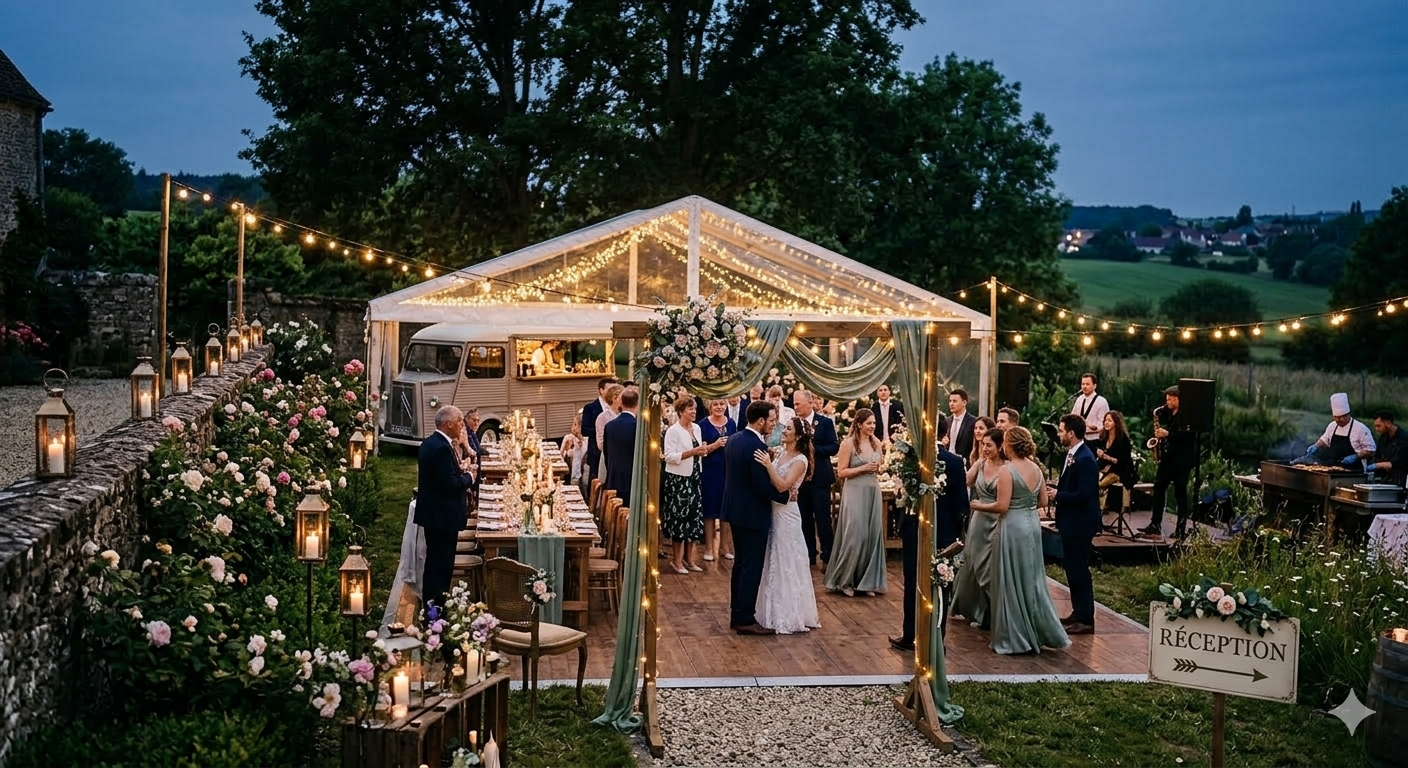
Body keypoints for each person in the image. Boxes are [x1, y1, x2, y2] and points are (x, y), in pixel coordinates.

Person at [970, 425, 1070, 653]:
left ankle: (1014, 636)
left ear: (1009, 445)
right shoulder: (1036, 468)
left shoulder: (1007, 470)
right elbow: (1043, 501)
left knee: (1009, 579)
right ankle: (1037, 629)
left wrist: (979, 505)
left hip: (1012, 527)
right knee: (1031, 578)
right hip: (1032, 526)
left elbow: (1002, 505)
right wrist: (1025, 505)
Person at [890, 439, 969, 652]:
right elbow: (962, 503)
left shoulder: (912, 458)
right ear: (944, 436)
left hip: (914, 529)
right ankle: (936, 638)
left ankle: (910, 635)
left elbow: (901, 495)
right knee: (941, 584)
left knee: (912, 582)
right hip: (944, 532)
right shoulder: (954, 461)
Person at [722, 401, 785, 635]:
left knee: (740, 564)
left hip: (735, 510)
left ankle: (736, 612)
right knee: (751, 566)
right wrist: (784, 494)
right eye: (770, 420)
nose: (773, 424)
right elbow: (760, 485)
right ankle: (745, 618)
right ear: (760, 421)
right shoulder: (756, 447)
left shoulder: (735, 439)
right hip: (752, 512)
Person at [754, 417, 821, 634]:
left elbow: (783, 486)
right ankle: (769, 610)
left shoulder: (801, 460)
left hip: (787, 514)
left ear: (798, 436)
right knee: (772, 558)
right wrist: (771, 460)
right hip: (771, 512)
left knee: (787, 560)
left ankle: (789, 613)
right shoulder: (780, 452)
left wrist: (767, 465)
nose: (784, 431)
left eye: (788, 429)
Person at [415, 405, 477, 609]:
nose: (462, 425)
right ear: (448, 424)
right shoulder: (441, 448)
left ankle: (432, 607)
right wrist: (469, 477)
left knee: (435, 563)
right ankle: (435, 611)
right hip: (442, 517)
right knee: (441, 567)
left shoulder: (431, 443)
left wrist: (458, 470)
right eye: (460, 421)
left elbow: (440, 477)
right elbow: (448, 485)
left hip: (435, 515)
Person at [824, 408, 887, 596]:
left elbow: (880, 465)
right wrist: (863, 468)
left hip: (872, 490)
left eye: (874, 423)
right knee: (855, 534)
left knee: (871, 535)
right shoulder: (848, 443)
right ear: (859, 424)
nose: (872, 426)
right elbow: (842, 472)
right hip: (854, 491)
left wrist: (877, 468)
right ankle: (845, 580)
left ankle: (866, 581)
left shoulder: (876, 442)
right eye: (869, 423)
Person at [951, 427, 1006, 630]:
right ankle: (974, 609)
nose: (985, 448)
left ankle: (992, 612)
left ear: (1000, 447)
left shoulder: (1007, 468)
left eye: (989, 445)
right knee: (973, 562)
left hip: (997, 520)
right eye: (983, 444)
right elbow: (965, 480)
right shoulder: (981, 462)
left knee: (990, 566)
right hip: (978, 521)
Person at [1052, 414, 1101, 636]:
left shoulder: (1085, 459)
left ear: (1071, 433)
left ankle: (1086, 618)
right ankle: (1077, 611)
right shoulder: (1073, 454)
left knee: (1079, 569)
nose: (1060, 434)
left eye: (1062, 430)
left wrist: (1058, 496)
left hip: (1080, 523)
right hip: (1070, 522)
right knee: (1071, 568)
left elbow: (1085, 493)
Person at [663, 396, 718, 574]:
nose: (693, 412)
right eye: (689, 409)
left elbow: (699, 451)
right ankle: (676, 560)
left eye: (694, 409)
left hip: (694, 477)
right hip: (679, 480)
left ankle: (689, 558)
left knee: (693, 518)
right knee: (679, 519)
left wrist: (704, 449)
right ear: (680, 411)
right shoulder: (673, 431)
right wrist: (693, 452)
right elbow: (669, 456)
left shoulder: (696, 428)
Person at [1141, 386, 1197, 540]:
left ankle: (1181, 529)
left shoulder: (1187, 416)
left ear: (1180, 400)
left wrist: (1168, 434)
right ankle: (1155, 524)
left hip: (1181, 461)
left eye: (1172, 399)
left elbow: (1187, 439)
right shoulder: (1168, 413)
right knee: (1158, 488)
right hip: (1167, 458)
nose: (1168, 402)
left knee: (1180, 494)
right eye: (1167, 399)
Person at [795, 391, 837, 566]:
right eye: (794, 404)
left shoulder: (825, 422)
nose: (796, 407)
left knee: (822, 518)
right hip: (801, 478)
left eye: (798, 404)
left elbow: (834, 446)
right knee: (804, 518)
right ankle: (809, 553)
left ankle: (828, 555)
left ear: (810, 403)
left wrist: (813, 451)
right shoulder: (795, 424)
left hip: (820, 478)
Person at [700, 399, 737, 562]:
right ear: (710, 407)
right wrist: (715, 445)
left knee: (725, 509)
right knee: (709, 511)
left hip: (727, 470)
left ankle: (725, 547)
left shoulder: (731, 423)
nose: (719, 407)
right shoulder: (702, 424)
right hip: (709, 470)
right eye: (715, 404)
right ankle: (708, 547)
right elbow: (700, 449)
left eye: (722, 404)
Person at [1298, 393, 1375, 469]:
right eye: (1336, 417)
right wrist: (1316, 445)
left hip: (1354, 470)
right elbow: (1325, 440)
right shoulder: (1332, 426)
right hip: (1333, 468)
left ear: (1348, 414)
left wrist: (1356, 456)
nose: (1338, 420)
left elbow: (1370, 450)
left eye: (1341, 417)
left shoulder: (1361, 428)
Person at [602, 387, 638, 503]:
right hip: (632, 481)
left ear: (621, 403)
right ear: (637, 404)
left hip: (613, 478)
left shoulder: (609, 426)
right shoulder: (637, 427)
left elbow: (606, 454)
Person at [1095, 411, 1135, 513]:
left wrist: (1107, 457)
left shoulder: (1123, 440)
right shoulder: (1104, 437)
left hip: (1120, 470)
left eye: (1109, 420)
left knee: (1098, 485)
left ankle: (1102, 507)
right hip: (1104, 468)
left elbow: (1123, 461)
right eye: (1105, 420)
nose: (1106, 423)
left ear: (1116, 423)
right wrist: (1098, 452)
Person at [582, 376, 620, 486]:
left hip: (612, 453)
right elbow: (584, 430)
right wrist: (603, 430)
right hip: (596, 451)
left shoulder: (619, 408)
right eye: (609, 389)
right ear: (601, 390)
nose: (612, 392)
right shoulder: (590, 407)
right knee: (595, 481)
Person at [1369, 410, 1408, 488]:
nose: (1377, 429)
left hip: (1400, 481)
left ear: (1388, 423)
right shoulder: (1383, 438)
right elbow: (1378, 456)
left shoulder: (1403, 439)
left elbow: (1398, 463)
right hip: (1385, 479)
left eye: (1379, 426)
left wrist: (1379, 465)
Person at [1071, 373, 1110, 451]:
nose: (1084, 386)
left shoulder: (1101, 401)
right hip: (1079, 441)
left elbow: (1104, 426)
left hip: (1094, 441)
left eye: (1087, 384)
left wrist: (1087, 430)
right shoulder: (1079, 399)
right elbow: (1072, 417)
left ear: (1094, 386)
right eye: (1083, 384)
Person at [594, 383, 625, 480]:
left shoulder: (624, 415)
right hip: (609, 460)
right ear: (614, 398)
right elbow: (600, 444)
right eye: (622, 397)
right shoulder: (602, 417)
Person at [940, 389, 977, 459]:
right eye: (950, 401)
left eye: (955, 401)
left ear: (964, 403)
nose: (951, 404)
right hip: (947, 461)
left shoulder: (973, 422)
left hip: (965, 463)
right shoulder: (946, 421)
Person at [563, 413, 588, 493]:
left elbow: (575, 457)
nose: (572, 427)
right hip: (575, 474)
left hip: (578, 476)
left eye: (575, 424)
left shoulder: (584, 441)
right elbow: (570, 455)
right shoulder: (575, 440)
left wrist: (567, 448)